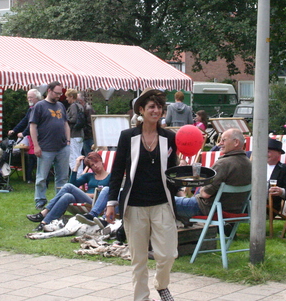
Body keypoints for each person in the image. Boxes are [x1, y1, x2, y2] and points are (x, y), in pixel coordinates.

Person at [106, 88, 178, 301]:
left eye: (159, 107)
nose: (156, 111)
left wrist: (187, 178)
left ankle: (161, 285)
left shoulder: (169, 137)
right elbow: (117, 170)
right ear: (141, 110)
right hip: (134, 205)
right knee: (138, 259)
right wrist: (111, 202)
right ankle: (141, 298)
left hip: (162, 203)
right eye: (151, 107)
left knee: (167, 254)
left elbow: (173, 172)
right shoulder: (128, 137)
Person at [174, 129, 251, 221]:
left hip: (208, 209)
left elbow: (206, 194)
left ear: (236, 142)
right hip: (235, 209)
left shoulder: (223, 164)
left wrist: (201, 188)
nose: (219, 143)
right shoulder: (249, 163)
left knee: (166, 201)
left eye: (223, 140)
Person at [27, 152, 110, 231]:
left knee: (68, 187)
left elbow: (107, 193)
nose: (95, 165)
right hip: (85, 199)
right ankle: (44, 223)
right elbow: (73, 184)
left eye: (96, 162)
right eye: (92, 165)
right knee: (67, 196)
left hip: (96, 204)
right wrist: (76, 166)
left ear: (101, 161)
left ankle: (45, 212)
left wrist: (89, 195)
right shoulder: (89, 176)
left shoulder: (111, 176)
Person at [29, 81, 71, 210]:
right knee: (42, 176)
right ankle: (40, 200)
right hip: (46, 148)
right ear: (49, 90)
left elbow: (65, 124)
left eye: (60, 93)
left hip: (62, 147)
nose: (59, 96)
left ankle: (60, 200)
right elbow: (33, 126)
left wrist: (68, 141)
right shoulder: (40, 106)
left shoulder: (61, 106)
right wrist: (36, 145)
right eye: (57, 93)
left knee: (63, 177)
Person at [267, 138, 286, 213]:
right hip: (250, 201)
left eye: (268, 152)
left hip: (270, 204)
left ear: (279, 153)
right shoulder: (257, 167)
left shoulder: (284, 169)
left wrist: (282, 192)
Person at [65, 89, 85, 173]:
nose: (66, 99)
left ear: (71, 97)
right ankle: (79, 174)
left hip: (74, 134)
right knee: (78, 155)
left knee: (74, 157)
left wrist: (65, 120)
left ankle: (76, 175)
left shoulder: (73, 106)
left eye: (67, 97)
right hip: (80, 134)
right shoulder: (79, 105)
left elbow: (74, 119)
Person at [77, 92, 94, 156]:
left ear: (80, 101)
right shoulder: (84, 108)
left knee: (89, 155)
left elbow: (91, 123)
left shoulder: (88, 109)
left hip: (88, 137)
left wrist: (83, 130)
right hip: (86, 136)